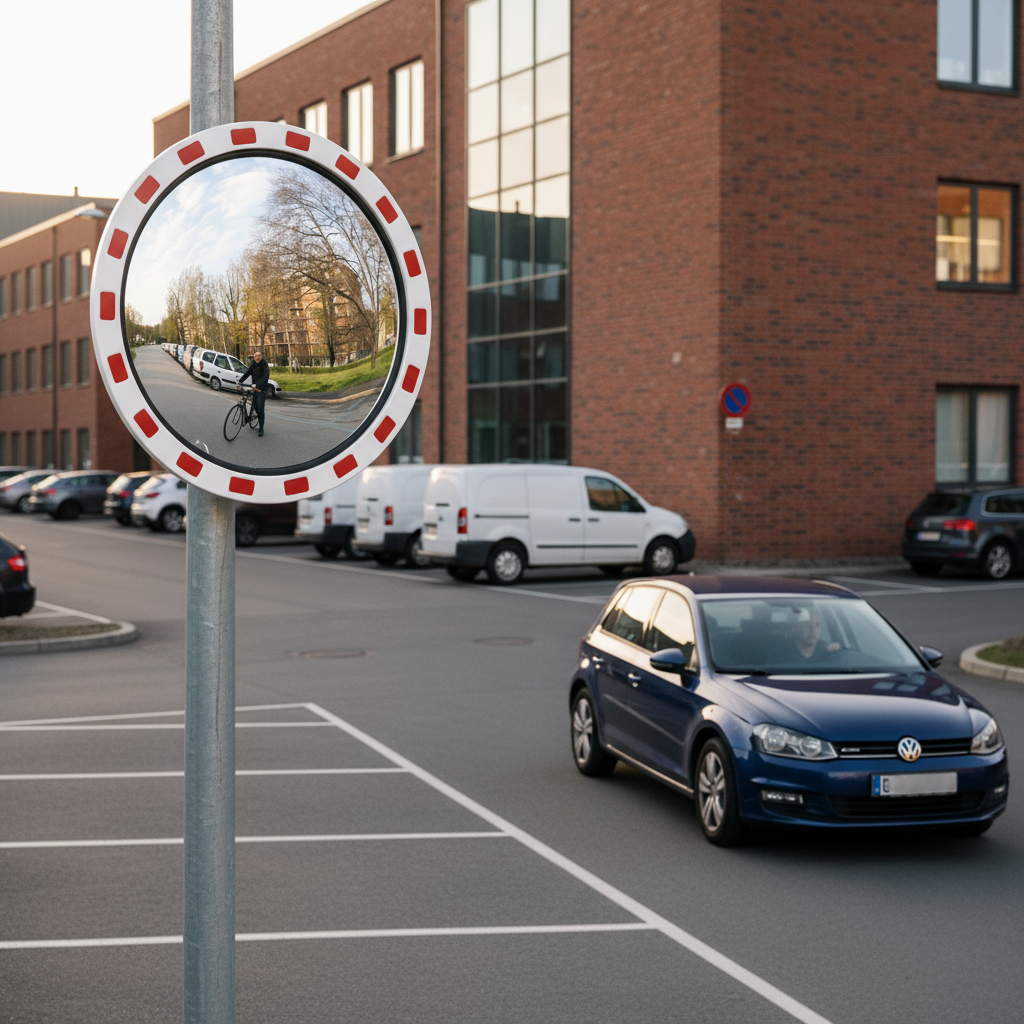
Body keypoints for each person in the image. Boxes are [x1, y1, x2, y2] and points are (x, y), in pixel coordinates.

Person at [238, 351, 270, 436]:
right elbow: (248, 373)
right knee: (255, 406)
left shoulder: (264, 365)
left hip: (261, 390)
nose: (257, 357)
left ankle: (261, 428)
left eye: (259, 355)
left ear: (261, 356)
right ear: (253, 357)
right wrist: (240, 381)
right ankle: (256, 416)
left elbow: (266, 376)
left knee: (260, 408)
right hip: (254, 389)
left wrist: (258, 384)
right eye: (255, 356)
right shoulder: (253, 365)